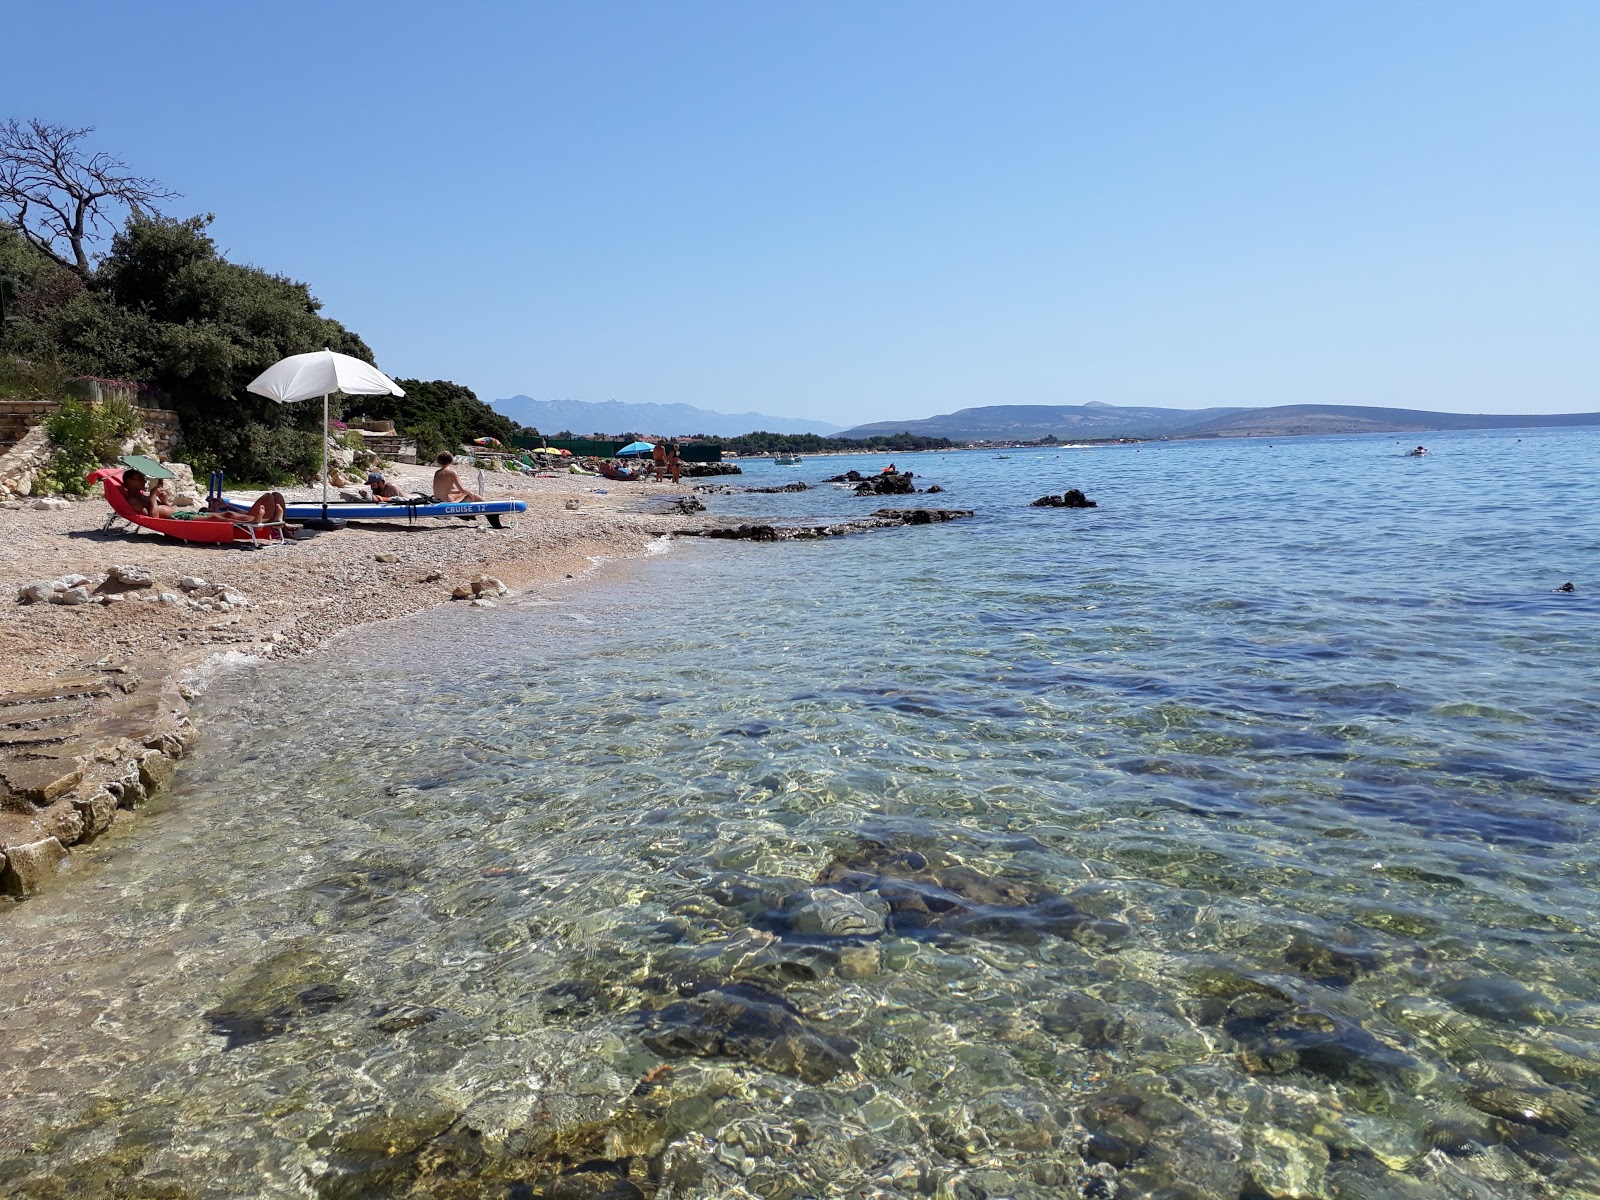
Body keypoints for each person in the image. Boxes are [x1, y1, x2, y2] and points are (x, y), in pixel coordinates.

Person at [206, 491, 290, 526]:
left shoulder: (224, 511)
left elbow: (244, 513)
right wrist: (213, 510)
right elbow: (213, 518)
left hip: (249, 516)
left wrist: (228, 506)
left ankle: (281, 525)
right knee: (268, 496)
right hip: (250, 519)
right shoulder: (214, 515)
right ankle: (273, 521)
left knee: (276, 495)